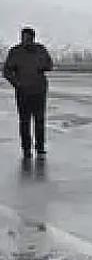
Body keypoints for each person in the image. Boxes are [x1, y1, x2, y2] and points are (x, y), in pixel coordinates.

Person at [3, 27, 54, 160]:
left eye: (28, 38)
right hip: (23, 92)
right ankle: (26, 149)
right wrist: (17, 84)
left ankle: (40, 147)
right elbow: (7, 71)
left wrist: (43, 66)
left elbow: (50, 65)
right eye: (24, 38)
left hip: (39, 90)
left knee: (39, 120)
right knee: (25, 121)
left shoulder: (41, 49)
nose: (26, 40)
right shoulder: (15, 52)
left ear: (33, 38)